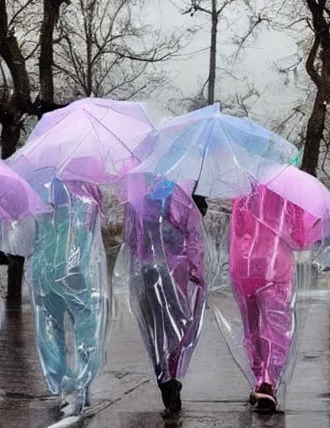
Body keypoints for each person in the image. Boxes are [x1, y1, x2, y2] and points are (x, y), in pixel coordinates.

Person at [229, 184, 318, 413]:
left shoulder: (242, 191)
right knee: (276, 328)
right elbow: (299, 239)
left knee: (252, 328)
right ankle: (268, 382)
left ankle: (258, 378)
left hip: (243, 266)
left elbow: (237, 229)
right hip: (274, 267)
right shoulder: (288, 192)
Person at [120, 178, 206, 412]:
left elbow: (129, 236)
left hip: (146, 269)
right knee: (179, 323)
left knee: (154, 328)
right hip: (173, 269)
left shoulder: (135, 193)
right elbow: (193, 234)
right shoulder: (180, 192)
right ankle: (173, 372)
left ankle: (164, 379)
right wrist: (197, 270)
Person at [30, 177, 108, 415]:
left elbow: (29, 233)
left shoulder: (39, 186)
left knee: (52, 331)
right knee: (85, 329)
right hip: (74, 274)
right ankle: (82, 385)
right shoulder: (88, 187)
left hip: (45, 271)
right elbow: (94, 227)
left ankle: (64, 385)